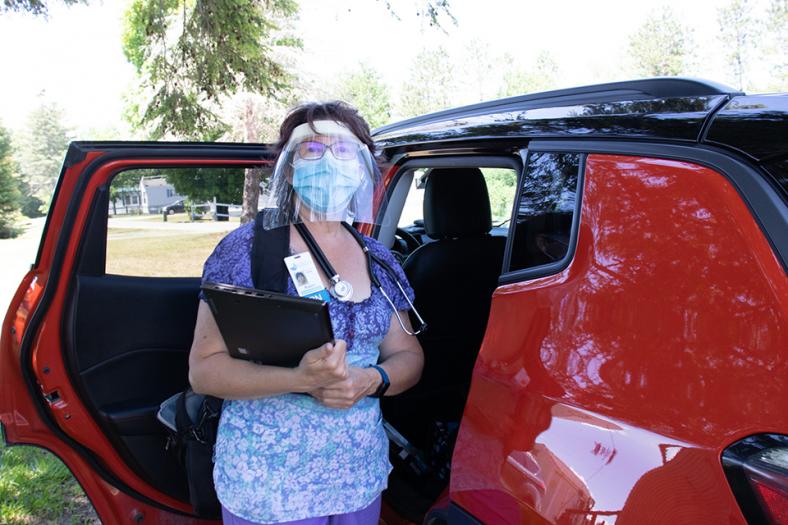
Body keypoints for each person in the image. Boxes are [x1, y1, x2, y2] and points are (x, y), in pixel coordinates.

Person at [188, 101, 425, 525]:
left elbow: (409, 358)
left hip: (356, 480)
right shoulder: (247, 250)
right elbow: (204, 371)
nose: (329, 161)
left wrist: (371, 379)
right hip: (267, 489)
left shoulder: (379, 259)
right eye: (311, 149)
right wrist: (300, 379)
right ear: (290, 166)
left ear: (362, 166)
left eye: (344, 150)